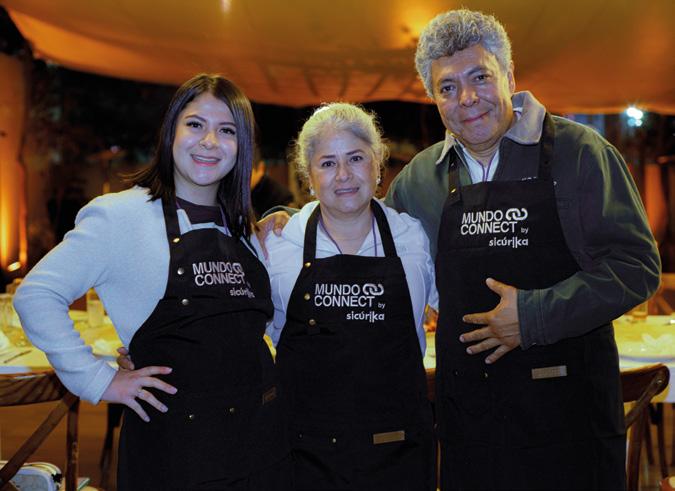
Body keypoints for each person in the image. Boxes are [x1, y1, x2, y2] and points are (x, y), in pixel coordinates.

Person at [384, 9, 660, 490]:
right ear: (433, 98)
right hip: (472, 428)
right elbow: (364, 237)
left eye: (480, 77)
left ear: (509, 76)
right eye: (447, 87)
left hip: (570, 426)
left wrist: (533, 316)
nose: (467, 98)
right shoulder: (420, 179)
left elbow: (636, 266)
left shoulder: (579, 152)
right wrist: (286, 224)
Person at [13, 74, 291, 491]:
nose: (209, 141)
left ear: (243, 146)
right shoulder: (121, 217)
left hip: (261, 446)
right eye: (195, 124)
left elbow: (257, 327)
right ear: (171, 131)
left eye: (227, 130)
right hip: (175, 455)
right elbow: (37, 295)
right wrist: (99, 379)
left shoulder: (243, 229)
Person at [265, 103, 438, 490]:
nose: (343, 175)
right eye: (327, 163)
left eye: (356, 158)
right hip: (305, 456)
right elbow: (234, 330)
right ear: (309, 176)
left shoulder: (414, 238)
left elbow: (462, 308)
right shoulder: (278, 245)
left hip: (399, 453)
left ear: (378, 164)